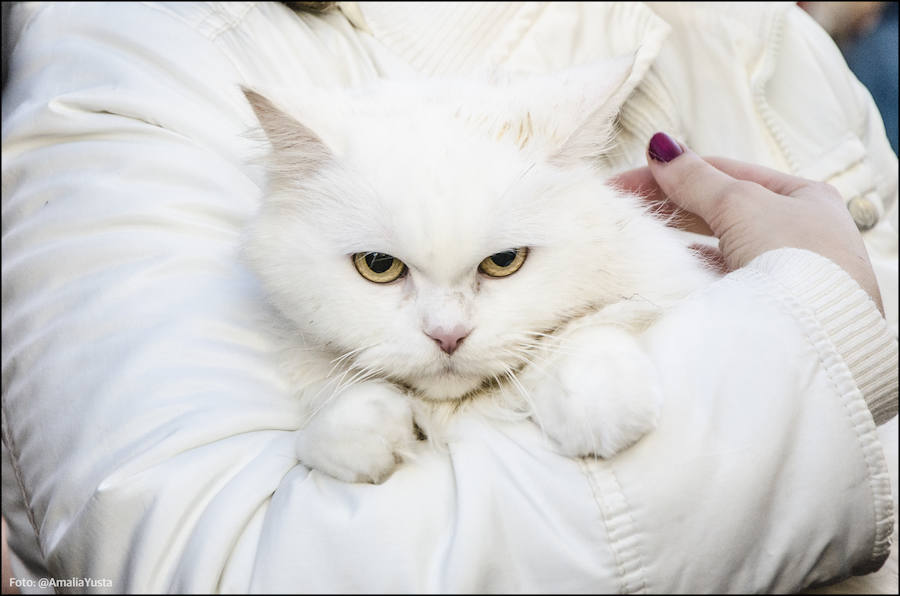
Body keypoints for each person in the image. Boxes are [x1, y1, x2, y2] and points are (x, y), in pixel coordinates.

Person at [1, 2, 896, 593]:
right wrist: (815, 334)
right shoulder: (137, 50)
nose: (447, 328)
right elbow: (218, 565)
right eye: (382, 271)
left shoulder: (752, 24)